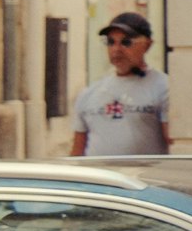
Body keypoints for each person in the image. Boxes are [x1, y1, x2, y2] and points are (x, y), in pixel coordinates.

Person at [69, 12, 169, 157]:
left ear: (147, 45)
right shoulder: (90, 93)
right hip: (101, 178)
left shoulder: (163, 87)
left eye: (126, 42)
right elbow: (78, 150)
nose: (117, 50)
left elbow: (174, 142)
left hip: (140, 177)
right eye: (111, 42)